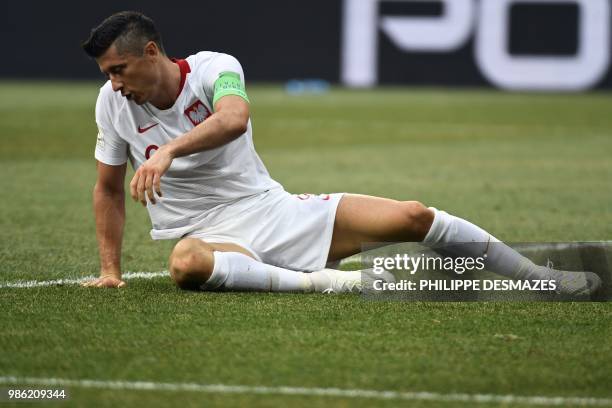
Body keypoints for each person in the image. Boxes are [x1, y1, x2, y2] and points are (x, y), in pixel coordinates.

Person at [81, 11, 600, 296]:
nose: (114, 83)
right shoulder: (112, 104)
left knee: (414, 215)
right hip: (207, 236)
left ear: (151, 52)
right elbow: (108, 188)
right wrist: (110, 270)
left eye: (119, 69)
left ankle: (543, 279)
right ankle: (333, 283)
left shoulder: (217, 67)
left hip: (271, 209)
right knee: (187, 263)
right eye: (107, 74)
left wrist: (168, 150)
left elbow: (234, 119)